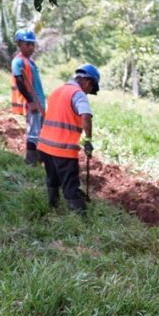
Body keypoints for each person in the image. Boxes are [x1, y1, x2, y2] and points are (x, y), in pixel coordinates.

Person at [37, 64, 100, 214]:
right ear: (88, 82)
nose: (88, 92)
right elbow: (85, 115)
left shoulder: (57, 91)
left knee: (52, 180)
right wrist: (88, 140)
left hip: (45, 147)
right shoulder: (78, 94)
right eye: (90, 89)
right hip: (63, 150)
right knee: (70, 186)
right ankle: (80, 221)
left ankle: (54, 209)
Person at [10, 29, 47, 165]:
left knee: (41, 130)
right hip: (33, 100)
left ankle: (40, 158)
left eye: (32, 44)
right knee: (33, 130)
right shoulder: (18, 62)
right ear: (19, 44)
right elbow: (20, 82)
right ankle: (30, 161)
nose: (31, 47)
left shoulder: (30, 61)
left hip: (40, 99)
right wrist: (31, 101)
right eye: (27, 44)